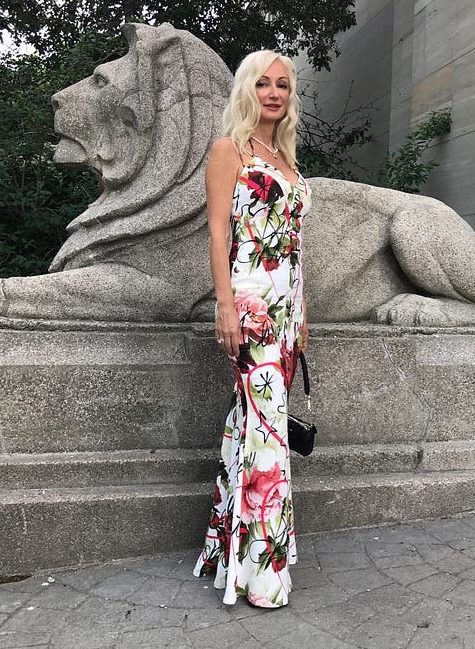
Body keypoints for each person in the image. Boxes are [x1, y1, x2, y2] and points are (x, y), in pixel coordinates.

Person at [192, 49, 312, 608]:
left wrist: (303, 313)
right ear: (247, 89)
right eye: (263, 83)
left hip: (286, 311)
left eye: (282, 85)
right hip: (250, 306)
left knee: (252, 425)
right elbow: (218, 233)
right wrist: (225, 306)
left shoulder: (285, 158)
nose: (274, 93)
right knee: (267, 433)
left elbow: (293, 247)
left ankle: (226, 553)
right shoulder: (229, 150)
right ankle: (264, 577)